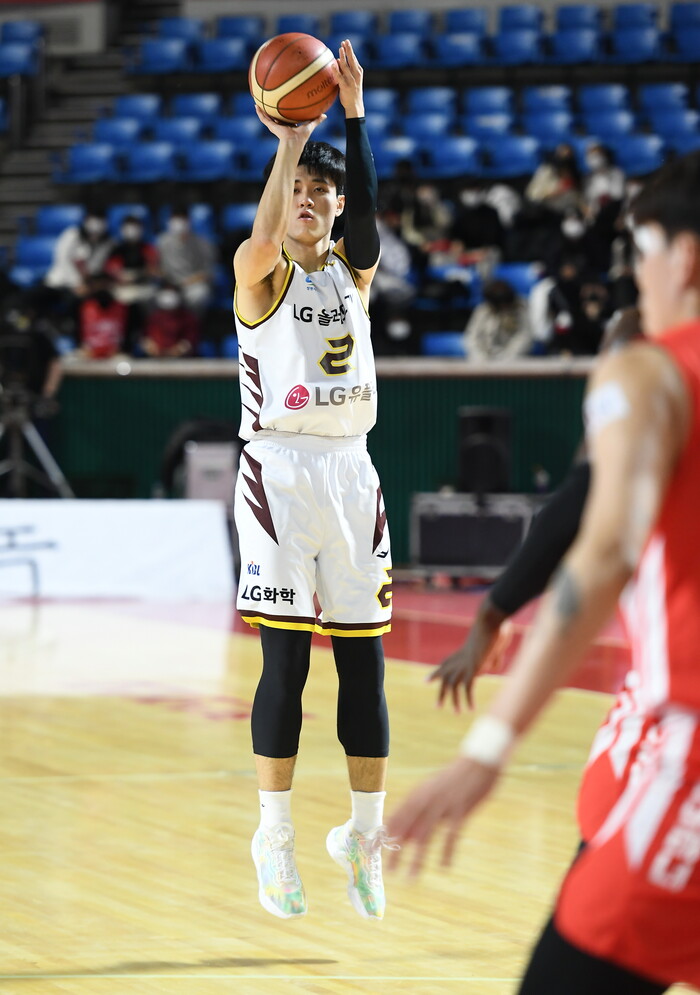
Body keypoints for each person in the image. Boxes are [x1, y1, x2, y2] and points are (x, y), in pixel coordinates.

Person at [388, 152, 700, 993]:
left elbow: (598, 554)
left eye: (641, 253)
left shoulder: (647, 370)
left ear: (684, 257)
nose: (636, 276)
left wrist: (487, 749)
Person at [232, 39, 393, 923]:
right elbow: (262, 238)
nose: (309, 198)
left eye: (321, 191)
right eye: (298, 189)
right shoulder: (258, 274)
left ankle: (364, 836)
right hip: (279, 473)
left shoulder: (353, 269)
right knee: (287, 662)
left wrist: (354, 114)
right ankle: (275, 836)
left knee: (364, 666)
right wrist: (290, 141)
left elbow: (366, 216)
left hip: (351, 473)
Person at [156, 209, 215, 315]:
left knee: (200, 293)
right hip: (169, 285)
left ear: (189, 222)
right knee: (164, 298)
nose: (179, 224)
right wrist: (167, 282)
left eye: (182, 219)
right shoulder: (162, 242)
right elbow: (156, 267)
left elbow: (208, 271)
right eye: (175, 219)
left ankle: (193, 322)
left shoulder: (202, 242)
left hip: (192, 284)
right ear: (169, 222)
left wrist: (189, 281)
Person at [464, 278, 533, 361]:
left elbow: (524, 337)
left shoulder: (521, 309)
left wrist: (507, 359)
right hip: (483, 359)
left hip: (511, 359)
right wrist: (480, 358)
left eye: (505, 303)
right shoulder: (482, 310)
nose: (503, 306)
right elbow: (472, 337)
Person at [141, 283, 199, 358]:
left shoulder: (188, 318)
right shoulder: (154, 317)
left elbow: (191, 338)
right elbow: (146, 336)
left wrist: (177, 350)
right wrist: (151, 348)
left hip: (181, 358)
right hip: (156, 357)